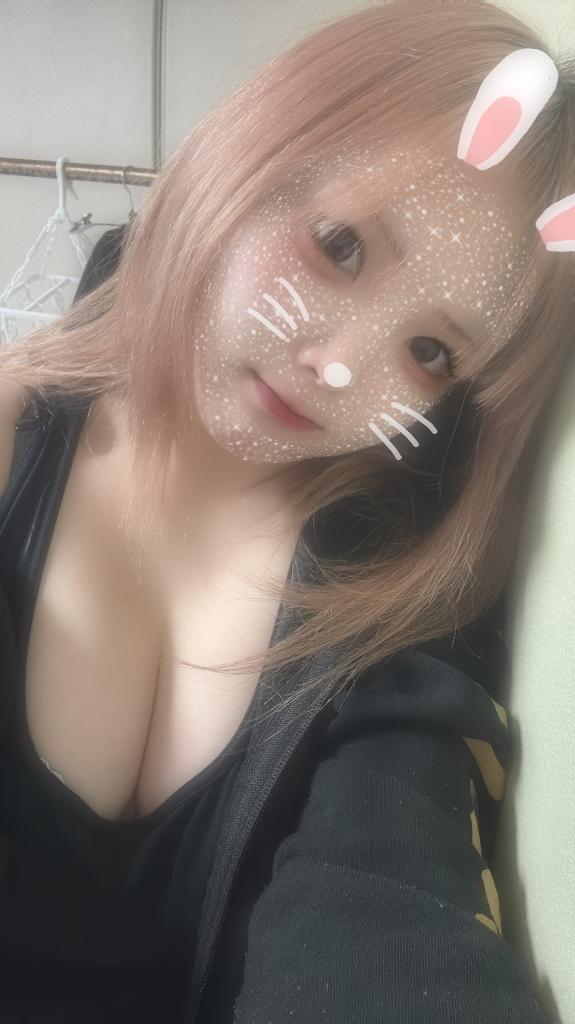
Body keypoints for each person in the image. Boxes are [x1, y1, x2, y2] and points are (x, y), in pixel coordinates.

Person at [0, 0, 573, 1020]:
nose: (340, 364)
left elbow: (386, 889)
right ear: (253, 147)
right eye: (339, 245)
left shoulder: (391, 598)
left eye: (429, 351)